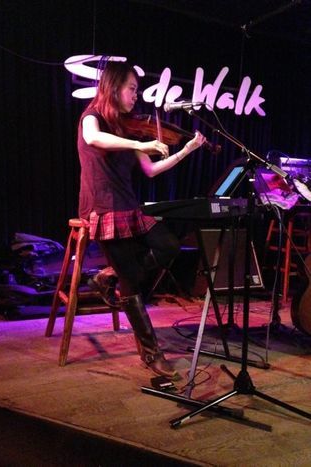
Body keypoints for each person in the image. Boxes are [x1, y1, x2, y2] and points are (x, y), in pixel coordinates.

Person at [77, 60, 206, 379]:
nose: (137, 95)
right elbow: (94, 139)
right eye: (132, 89)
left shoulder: (127, 127)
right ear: (113, 87)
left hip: (129, 207)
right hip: (104, 208)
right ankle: (151, 354)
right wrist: (140, 143)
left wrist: (186, 151)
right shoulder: (91, 118)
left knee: (168, 246)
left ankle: (110, 276)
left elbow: (150, 170)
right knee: (133, 281)